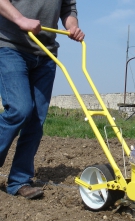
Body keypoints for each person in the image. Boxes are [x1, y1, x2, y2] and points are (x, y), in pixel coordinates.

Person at [0, 0, 84, 199]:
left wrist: (72, 27)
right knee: (19, 109)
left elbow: (68, 8)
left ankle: (20, 180)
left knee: (36, 120)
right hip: (11, 46)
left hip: (46, 53)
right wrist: (21, 19)